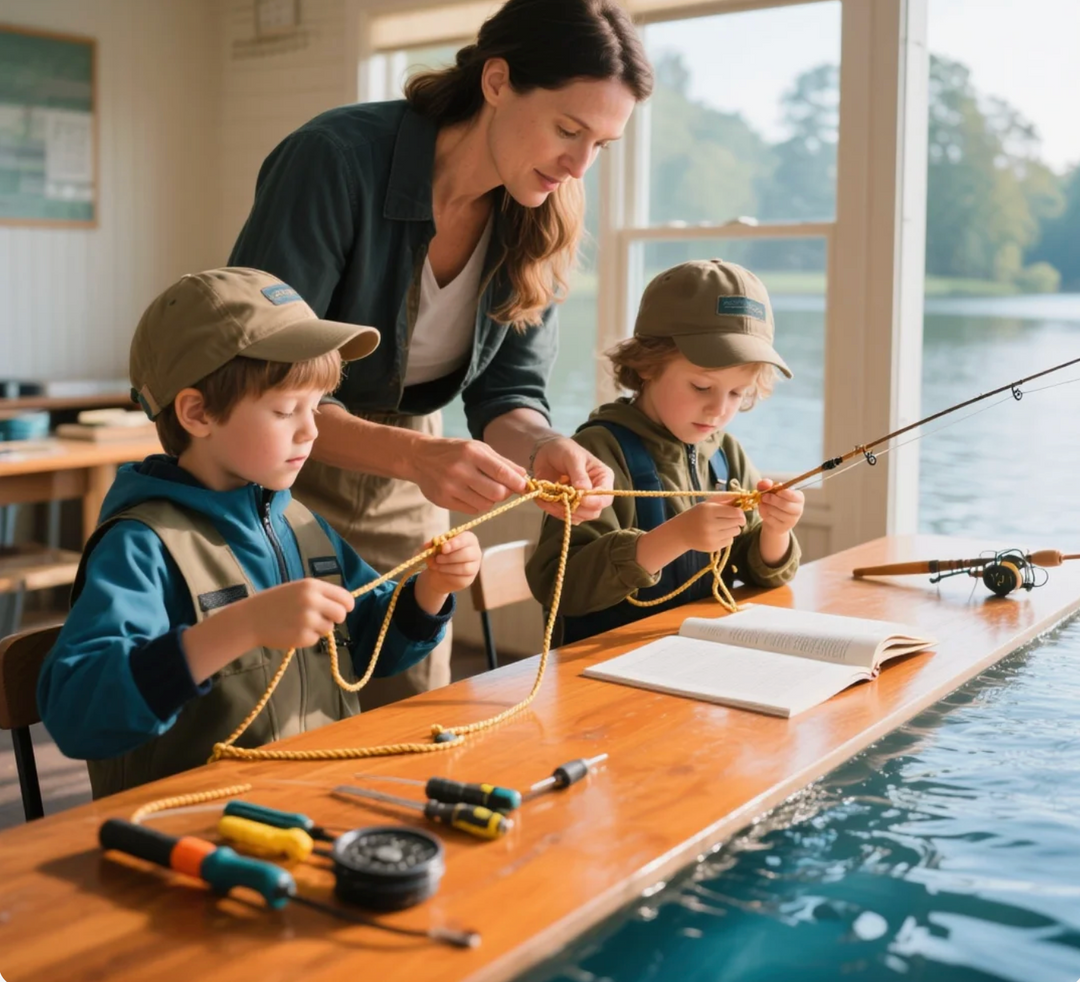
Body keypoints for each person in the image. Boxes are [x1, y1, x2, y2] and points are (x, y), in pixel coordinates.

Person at [227, 0, 653, 703]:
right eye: (568, 130)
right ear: (496, 82)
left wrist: (542, 444)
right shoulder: (334, 160)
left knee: (413, 712)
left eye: (601, 146)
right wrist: (418, 458)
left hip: (407, 485)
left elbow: (507, 396)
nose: (578, 165)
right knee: (278, 710)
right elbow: (262, 385)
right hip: (268, 478)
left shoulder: (543, 215)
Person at [37, 268, 481, 798]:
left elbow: (367, 648)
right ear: (197, 412)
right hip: (187, 835)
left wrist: (430, 592)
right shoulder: (142, 546)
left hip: (313, 801)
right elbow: (78, 713)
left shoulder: (299, 522)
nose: (311, 429)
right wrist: (239, 627)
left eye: (316, 407)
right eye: (285, 410)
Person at [525, 260, 805, 645]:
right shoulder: (598, 453)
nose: (719, 410)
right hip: (600, 673)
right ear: (646, 366)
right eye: (702, 387)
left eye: (737, 393)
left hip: (694, 661)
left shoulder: (725, 453)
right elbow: (562, 588)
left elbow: (762, 574)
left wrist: (776, 531)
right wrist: (675, 537)